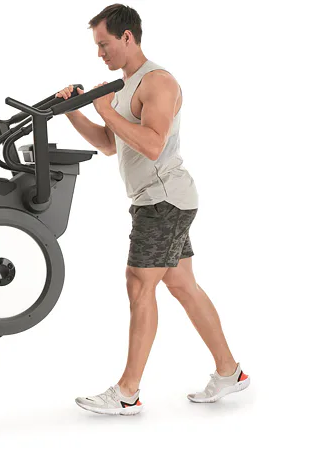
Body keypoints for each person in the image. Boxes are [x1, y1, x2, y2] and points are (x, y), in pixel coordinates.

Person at [57, 4, 250, 416]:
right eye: (97, 47)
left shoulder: (158, 81)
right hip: (159, 199)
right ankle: (230, 372)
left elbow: (153, 143)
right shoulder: (123, 87)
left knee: (139, 283)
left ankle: (127, 392)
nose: (99, 54)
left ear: (127, 37)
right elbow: (110, 144)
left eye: (104, 44)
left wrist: (106, 110)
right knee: (182, 285)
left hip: (164, 200)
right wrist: (75, 111)